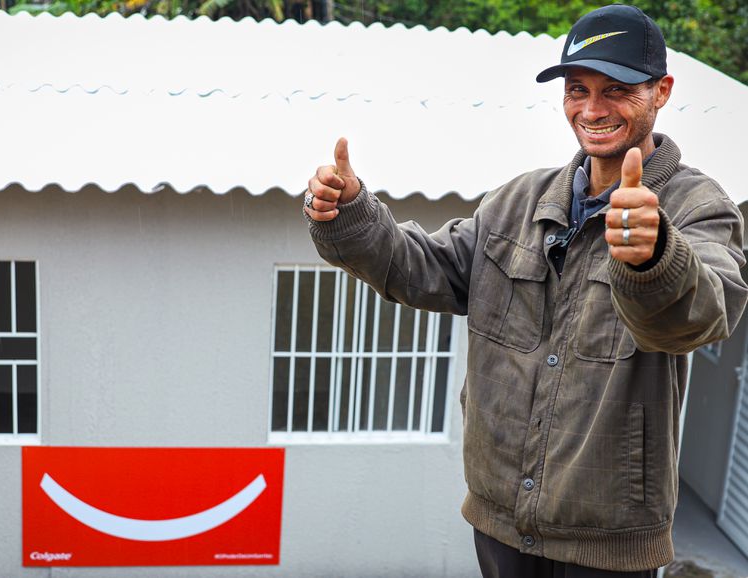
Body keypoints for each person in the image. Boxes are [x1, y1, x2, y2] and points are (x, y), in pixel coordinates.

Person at [303, 4, 748, 577]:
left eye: (617, 90)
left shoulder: (698, 209)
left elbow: (700, 317)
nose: (591, 109)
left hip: (608, 543)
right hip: (498, 521)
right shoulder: (516, 201)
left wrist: (654, 255)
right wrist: (349, 212)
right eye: (577, 89)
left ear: (661, 91)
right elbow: (417, 268)